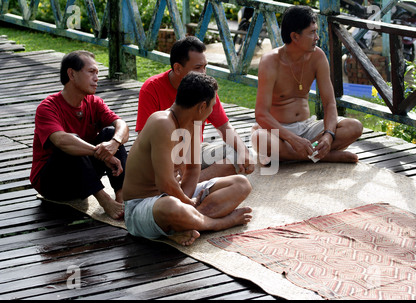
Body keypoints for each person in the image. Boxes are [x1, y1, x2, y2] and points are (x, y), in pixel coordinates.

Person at [123, 72, 252, 246]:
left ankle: (185, 224)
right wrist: (186, 202)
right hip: (142, 207)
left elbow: (192, 170)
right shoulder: (162, 123)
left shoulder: (192, 123)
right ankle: (216, 224)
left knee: (241, 184)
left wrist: (187, 201)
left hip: (175, 197)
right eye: (211, 106)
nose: (212, 111)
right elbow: (165, 184)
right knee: (171, 206)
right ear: (201, 107)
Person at [252, 6, 363, 164]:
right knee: (260, 138)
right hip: (279, 131)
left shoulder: (317, 56)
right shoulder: (270, 62)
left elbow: (330, 103)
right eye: (312, 32)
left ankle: (299, 154)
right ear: (295, 37)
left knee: (354, 126)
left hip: (308, 127)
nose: (317, 37)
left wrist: (328, 135)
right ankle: (322, 156)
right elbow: (261, 114)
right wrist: (292, 139)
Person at [137, 36, 254, 181]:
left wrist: (244, 151)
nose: (204, 72)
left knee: (240, 154)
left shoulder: (206, 87)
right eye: (198, 68)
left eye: (205, 66)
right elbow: (143, 139)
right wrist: (167, 164)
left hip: (195, 154)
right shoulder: (151, 88)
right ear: (177, 68)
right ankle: (187, 185)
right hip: (164, 156)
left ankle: (187, 184)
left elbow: (224, 127)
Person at [30, 50, 129, 219]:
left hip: (84, 177)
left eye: (97, 73)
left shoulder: (94, 102)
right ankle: (105, 200)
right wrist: (102, 154)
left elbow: (122, 125)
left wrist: (114, 143)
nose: (96, 78)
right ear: (71, 74)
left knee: (110, 133)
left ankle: (121, 196)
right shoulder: (47, 107)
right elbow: (61, 141)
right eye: (91, 72)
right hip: (53, 183)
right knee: (70, 143)